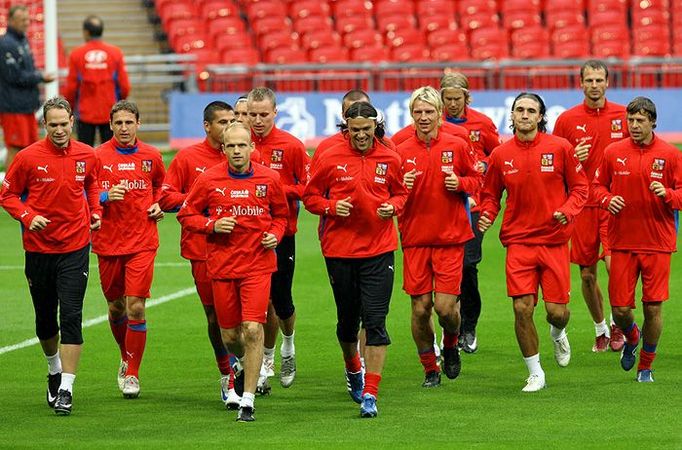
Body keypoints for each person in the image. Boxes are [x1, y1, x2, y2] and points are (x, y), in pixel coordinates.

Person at [177, 122, 289, 422]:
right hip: (223, 266)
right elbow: (186, 214)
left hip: (258, 265)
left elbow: (281, 215)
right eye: (232, 146)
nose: (237, 151)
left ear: (252, 147)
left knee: (252, 329)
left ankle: (248, 401)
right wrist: (211, 225)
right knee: (230, 336)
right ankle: (241, 365)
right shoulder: (209, 180)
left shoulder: (270, 178)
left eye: (243, 145)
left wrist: (275, 235)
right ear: (223, 149)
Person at [303, 101, 409, 418]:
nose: (361, 136)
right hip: (340, 251)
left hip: (379, 250)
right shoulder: (329, 157)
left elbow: (401, 193)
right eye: (355, 130)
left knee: (375, 322)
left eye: (367, 129)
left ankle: (371, 395)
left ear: (376, 126)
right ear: (345, 128)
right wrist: (332, 208)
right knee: (348, 322)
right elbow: (310, 197)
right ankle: (353, 369)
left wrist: (394, 206)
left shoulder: (390, 157)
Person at [478, 92, 588, 392]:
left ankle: (557, 332)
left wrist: (567, 211)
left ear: (540, 117)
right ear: (511, 116)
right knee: (521, 308)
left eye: (530, 111)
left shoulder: (560, 148)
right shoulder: (500, 155)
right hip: (518, 243)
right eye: (519, 110)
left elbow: (581, 188)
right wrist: (487, 214)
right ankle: (535, 371)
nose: (524, 115)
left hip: (553, 241)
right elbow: (490, 195)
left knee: (557, 311)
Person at [0, 97, 101, 415]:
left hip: (75, 247)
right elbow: (7, 194)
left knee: (71, 316)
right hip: (39, 249)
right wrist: (28, 217)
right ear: (45, 125)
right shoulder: (28, 158)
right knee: (45, 319)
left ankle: (67, 388)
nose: (59, 129)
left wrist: (96, 211)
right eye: (53, 124)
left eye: (64, 123)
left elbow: (93, 184)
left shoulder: (87, 154)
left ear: (72, 121)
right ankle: (54, 369)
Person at [160, 101, 254, 409]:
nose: (229, 125)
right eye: (223, 121)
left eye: (233, 120)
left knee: (250, 318)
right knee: (217, 317)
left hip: (247, 251)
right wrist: (203, 201)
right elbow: (166, 196)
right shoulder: (188, 158)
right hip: (202, 250)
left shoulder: (245, 154)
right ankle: (229, 372)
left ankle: (254, 370)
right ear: (206, 126)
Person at [593, 97, 682, 383]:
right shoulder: (612, 152)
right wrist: (607, 199)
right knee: (620, 309)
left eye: (640, 120)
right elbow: (595, 188)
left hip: (657, 242)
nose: (633, 125)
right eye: (630, 120)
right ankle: (632, 335)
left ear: (653, 122)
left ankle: (645, 366)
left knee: (653, 307)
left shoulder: (671, 154)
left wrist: (667, 194)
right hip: (622, 242)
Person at [397, 86, 481, 387]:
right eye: (418, 112)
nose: (423, 117)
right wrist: (400, 186)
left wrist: (460, 182)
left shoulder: (457, 145)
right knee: (420, 309)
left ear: (439, 114)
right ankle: (430, 368)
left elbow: (476, 180)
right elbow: (388, 192)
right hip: (415, 239)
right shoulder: (400, 149)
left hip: (450, 238)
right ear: (411, 114)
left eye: (429, 111)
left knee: (446, 309)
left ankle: (450, 344)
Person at [553, 60, 629, 353]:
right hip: (582, 205)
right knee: (586, 274)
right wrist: (574, 156)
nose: (594, 85)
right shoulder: (567, 121)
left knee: (616, 268)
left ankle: (619, 324)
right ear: (581, 83)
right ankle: (601, 329)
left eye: (599, 80)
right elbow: (555, 164)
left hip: (612, 204)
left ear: (607, 82)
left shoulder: (624, 115)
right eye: (589, 80)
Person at [92, 100, 165, 398]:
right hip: (108, 241)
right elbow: (87, 193)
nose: (124, 128)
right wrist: (106, 196)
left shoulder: (152, 155)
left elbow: (162, 186)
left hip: (142, 241)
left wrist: (159, 203)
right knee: (115, 306)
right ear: (110, 125)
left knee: (135, 306)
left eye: (129, 122)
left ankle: (133, 374)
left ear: (138, 124)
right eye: (118, 123)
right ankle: (125, 356)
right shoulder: (96, 157)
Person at [246, 87, 310, 392]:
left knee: (282, 301)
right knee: (260, 304)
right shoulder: (239, 144)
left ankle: (288, 346)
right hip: (246, 237)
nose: (257, 120)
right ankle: (265, 361)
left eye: (263, 114)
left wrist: (278, 189)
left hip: (283, 234)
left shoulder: (293, 147)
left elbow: (308, 189)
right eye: (252, 114)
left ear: (275, 112)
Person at [441, 72, 501, 353]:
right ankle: (448, 323)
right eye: (448, 98)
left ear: (467, 97)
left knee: (467, 265)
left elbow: (497, 155)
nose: (452, 104)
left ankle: (468, 325)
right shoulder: (432, 121)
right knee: (442, 269)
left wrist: (485, 166)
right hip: (440, 205)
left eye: (457, 98)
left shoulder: (482, 123)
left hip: (472, 203)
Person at [0, 5, 56, 168]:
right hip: (13, 106)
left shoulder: (22, 40)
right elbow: (13, 76)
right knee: (15, 147)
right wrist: (39, 77)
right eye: (22, 20)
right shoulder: (5, 44)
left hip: (25, 105)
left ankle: (25, 188)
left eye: (27, 20)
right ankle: (8, 190)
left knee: (30, 147)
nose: (26, 23)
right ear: (10, 20)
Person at [64, 15, 130, 147]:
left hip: (85, 113)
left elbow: (71, 87)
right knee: (111, 154)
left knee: (84, 154)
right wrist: (118, 104)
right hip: (110, 112)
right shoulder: (115, 53)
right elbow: (125, 86)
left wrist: (70, 107)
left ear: (86, 32)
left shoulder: (76, 54)